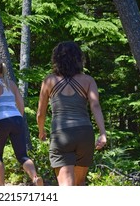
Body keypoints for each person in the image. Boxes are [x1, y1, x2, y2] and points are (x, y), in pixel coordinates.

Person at [36, 41, 107, 186]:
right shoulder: (88, 80)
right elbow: (95, 105)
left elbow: (40, 113)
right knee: (79, 184)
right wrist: (102, 133)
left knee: (66, 186)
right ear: (79, 59)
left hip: (61, 134)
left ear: (56, 59)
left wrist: (41, 131)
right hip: (84, 133)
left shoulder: (49, 81)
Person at [0, 58, 43, 186]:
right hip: (16, 118)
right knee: (22, 155)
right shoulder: (11, 84)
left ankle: (2, 187)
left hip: (1, 120)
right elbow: (20, 103)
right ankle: (34, 178)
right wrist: (19, 118)